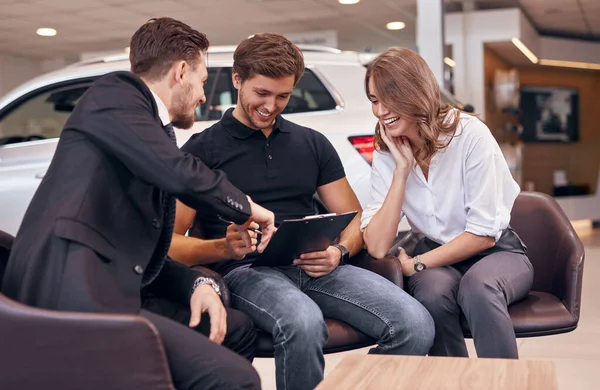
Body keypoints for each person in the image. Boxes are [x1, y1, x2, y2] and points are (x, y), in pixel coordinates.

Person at [1, 18, 278, 390]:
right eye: (200, 82)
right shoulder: (115, 94)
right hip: (72, 302)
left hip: (118, 288)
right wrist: (247, 207)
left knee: (237, 329)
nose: (201, 96)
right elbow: (178, 172)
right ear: (181, 71)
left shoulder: (145, 134)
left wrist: (199, 283)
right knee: (237, 379)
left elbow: (140, 255)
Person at [169, 33, 435, 390]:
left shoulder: (312, 144)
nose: (271, 106)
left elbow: (357, 221)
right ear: (237, 79)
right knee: (304, 322)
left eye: (282, 96)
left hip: (315, 264)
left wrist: (338, 252)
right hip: (245, 271)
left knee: (416, 324)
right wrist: (221, 249)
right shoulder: (200, 151)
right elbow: (169, 243)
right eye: (261, 94)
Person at [360, 47, 534, 359]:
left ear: (416, 91)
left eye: (389, 97)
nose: (381, 110)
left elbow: (483, 234)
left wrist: (416, 264)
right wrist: (401, 172)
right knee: (430, 293)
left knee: (478, 288)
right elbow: (376, 245)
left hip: (497, 252)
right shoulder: (388, 151)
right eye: (374, 100)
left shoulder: (469, 134)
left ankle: (503, 382)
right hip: (437, 252)